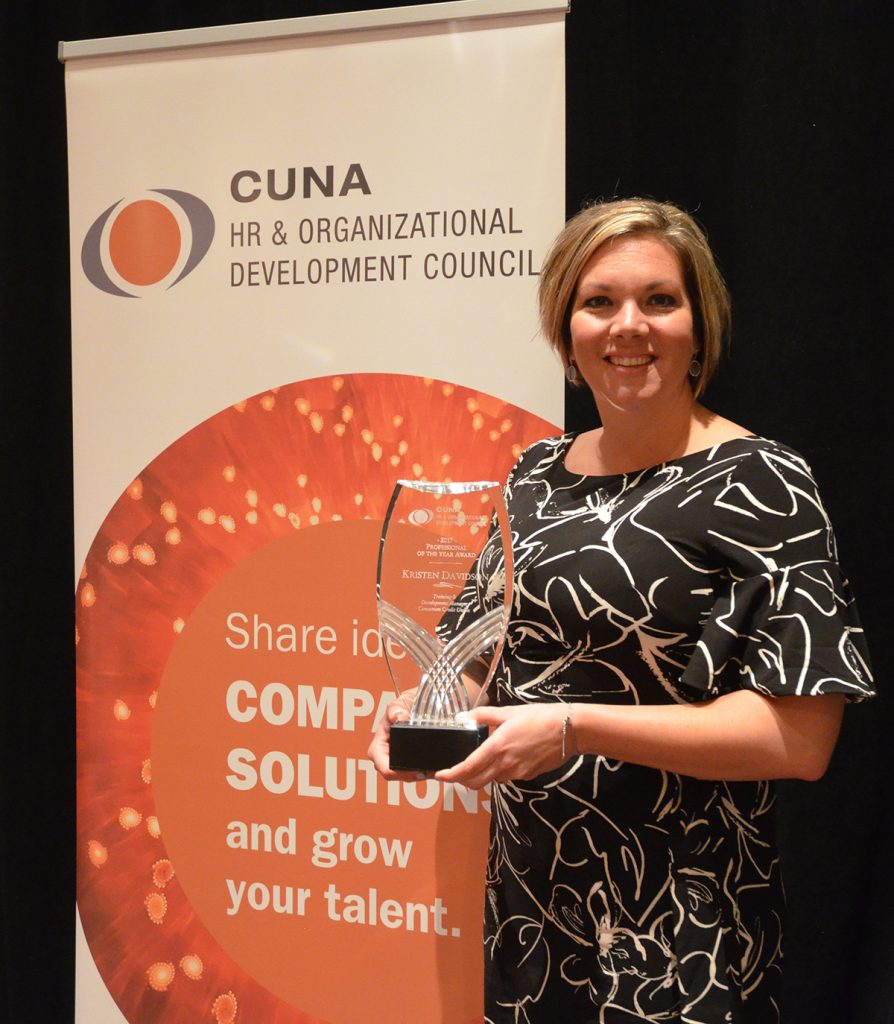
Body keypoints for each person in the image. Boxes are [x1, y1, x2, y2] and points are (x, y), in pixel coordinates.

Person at [369, 198, 874, 1023]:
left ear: (699, 325)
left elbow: (802, 738)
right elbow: (474, 658)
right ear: (565, 327)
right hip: (533, 913)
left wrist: (573, 727)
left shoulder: (763, 483)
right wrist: (424, 708)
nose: (627, 326)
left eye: (659, 300)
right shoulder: (534, 475)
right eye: (598, 301)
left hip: (685, 926)